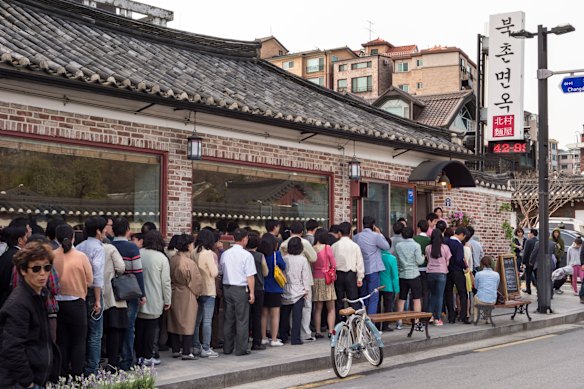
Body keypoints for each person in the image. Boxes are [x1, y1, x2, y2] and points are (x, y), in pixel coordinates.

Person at [0, 241, 60, 388]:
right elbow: (12, 347)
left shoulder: (40, 294)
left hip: (36, 376)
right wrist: (28, 382)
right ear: (23, 270)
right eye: (36, 269)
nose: (42, 273)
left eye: (47, 268)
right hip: (20, 382)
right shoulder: (19, 303)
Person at [53, 224, 93, 377]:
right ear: (73, 237)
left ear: (56, 238)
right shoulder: (81, 256)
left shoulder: (51, 255)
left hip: (57, 302)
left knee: (61, 340)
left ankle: (62, 374)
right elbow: (89, 280)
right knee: (79, 341)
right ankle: (77, 375)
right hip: (77, 302)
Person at [111, 217, 146, 370]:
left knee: (112, 327)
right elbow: (138, 272)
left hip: (112, 291)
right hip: (129, 292)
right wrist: (142, 293)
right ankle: (126, 360)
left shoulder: (108, 246)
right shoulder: (132, 248)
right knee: (129, 327)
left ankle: (113, 359)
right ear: (127, 230)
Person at [75, 216, 106, 375]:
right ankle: (92, 369)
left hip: (80, 292)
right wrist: (98, 300)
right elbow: (98, 276)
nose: (106, 231)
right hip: (94, 294)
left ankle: (80, 368)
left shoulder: (79, 246)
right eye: (105, 228)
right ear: (99, 231)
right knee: (95, 334)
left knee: (82, 333)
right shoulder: (99, 248)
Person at [136, 230, 171, 366]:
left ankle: (139, 355)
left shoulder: (139, 253)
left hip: (138, 297)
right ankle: (148, 356)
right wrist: (167, 300)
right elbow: (166, 282)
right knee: (151, 329)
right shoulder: (162, 258)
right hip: (155, 298)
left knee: (139, 329)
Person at [221, 229, 256, 356]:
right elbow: (250, 276)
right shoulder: (247, 255)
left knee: (228, 319)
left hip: (227, 287)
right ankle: (241, 349)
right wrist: (252, 293)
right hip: (240, 288)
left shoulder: (225, 253)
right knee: (242, 319)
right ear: (245, 239)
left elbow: (221, 270)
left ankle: (227, 348)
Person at [280, 221, 317, 342]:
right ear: (302, 232)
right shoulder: (305, 243)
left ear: (290, 231)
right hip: (301, 285)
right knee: (305, 309)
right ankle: (304, 333)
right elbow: (313, 258)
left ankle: (286, 334)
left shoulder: (283, 245)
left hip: (286, 285)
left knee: (286, 313)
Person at [168, 234, 202, 360]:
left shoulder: (173, 259)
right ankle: (187, 351)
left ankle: (176, 349)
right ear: (188, 245)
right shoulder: (189, 262)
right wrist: (198, 292)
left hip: (174, 290)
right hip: (187, 292)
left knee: (174, 320)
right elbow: (196, 282)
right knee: (188, 321)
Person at [100, 219, 127, 370]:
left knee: (97, 331)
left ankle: (95, 360)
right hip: (112, 294)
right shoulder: (110, 248)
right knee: (114, 330)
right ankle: (112, 361)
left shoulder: (82, 248)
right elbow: (121, 267)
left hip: (95, 294)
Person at [353, 216, 390, 315]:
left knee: (363, 296)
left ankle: (362, 321)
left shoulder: (356, 237)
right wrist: (380, 234)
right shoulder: (376, 236)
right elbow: (386, 246)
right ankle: (371, 323)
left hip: (361, 270)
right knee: (373, 297)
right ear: (373, 225)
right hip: (373, 269)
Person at [193, 229, 220, 358]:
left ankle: (196, 346)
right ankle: (206, 348)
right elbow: (214, 273)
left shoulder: (193, 252)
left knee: (196, 320)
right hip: (208, 289)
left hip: (197, 290)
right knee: (207, 321)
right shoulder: (208, 253)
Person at [279, 237, 310, 345]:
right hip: (299, 290)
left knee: (284, 316)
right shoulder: (303, 259)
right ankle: (295, 338)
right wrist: (306, 290)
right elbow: (305, 276)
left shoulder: (284, 258)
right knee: (297, 316)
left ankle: (283, 336)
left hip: (285, 288)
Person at [258, 233, 286, 347]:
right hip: (275, 287)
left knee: (264, 314)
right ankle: (274, 339)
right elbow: (283, 266)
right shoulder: (276, 255)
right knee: (275, 314)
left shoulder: (260, 255)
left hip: (264, 287)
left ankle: (263, 337)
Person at [331, 222, 364, 317]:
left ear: (339, 233)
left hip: (338, 275)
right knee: (353, 300)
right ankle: (355, 323)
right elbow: (359, 262)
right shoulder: (355, 246)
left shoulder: (334, 246)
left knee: (339, 301)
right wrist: (360, 278)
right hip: (351, 275)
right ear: (350, 232)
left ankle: (339, 324)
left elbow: (331, 263)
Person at [394, 227, 424, 325]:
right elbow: (419, 261)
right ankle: (416, 320)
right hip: (414, 274)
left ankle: (399, 321)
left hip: (403, 274)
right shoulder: (416, 246)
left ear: (402, 235)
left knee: (402, 298)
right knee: (416, 298)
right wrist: (424, 257)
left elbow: (397, 261)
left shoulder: (398, 246)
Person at [311, 228, 337, 338]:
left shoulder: (312, 249)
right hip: (327, 279)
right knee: (330, 307)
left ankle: (317, 331)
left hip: (315, 278)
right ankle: (331, 330)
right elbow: (334, 264)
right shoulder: (327, 248)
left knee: (318, 308)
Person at [246, 233, 268, 351]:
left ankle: (244, 340)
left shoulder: (244, 254)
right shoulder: (260, 256)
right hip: (258, 287)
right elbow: (265, 272)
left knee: (245, 316)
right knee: (257, 316)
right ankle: (257, 342)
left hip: (245, 288)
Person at [445, 227, 471, 324]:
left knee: (448, 293)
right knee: (462, 293)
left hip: (447, 270)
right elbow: (459, 259)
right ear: (462, 235)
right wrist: (465, 267)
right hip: (457, 271)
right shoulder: (458, 245)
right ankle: (463, 316)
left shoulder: (446, 242)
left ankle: (451, 317)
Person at [426, 229, 451, 326]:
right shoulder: (445, 248)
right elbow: (447, 261)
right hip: (442, 272)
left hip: (430, 273)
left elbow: (428, 259)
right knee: (440, 296)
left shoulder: (428, 248)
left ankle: (430, 316)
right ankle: (437, 318)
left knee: (433, 295)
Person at [0, 226, 28, 308]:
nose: (27, 239)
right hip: (13, 300)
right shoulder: (20, 257)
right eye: (25, 237)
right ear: (20, 240)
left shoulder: (4, 255)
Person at [379, 235, 399, 331]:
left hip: (377, 285)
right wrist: (397, 289)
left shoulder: (377, 256)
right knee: (388, 306)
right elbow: (395, 276)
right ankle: (385, 325)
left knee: (377, 305)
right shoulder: (391, 258)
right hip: (389, 286)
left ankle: (378, 324)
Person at [473, 256, 500, 322]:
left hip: (481, 300)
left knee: (476, 297)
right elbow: (496, 287)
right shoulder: (496, 274)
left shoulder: (478, 274)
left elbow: (476, 287)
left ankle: (475, 318)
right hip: (493, 301)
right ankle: (487, 318)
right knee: (489, 293)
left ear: (482, 264)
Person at [413, 220, 431, 312]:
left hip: (415, 268)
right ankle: (425, 312)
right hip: (426, 268)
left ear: (418, 228)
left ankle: (415, 313)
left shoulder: (414, 239)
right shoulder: (429, 240)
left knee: (416, 293)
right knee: (426, 292)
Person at [522, 229, 538, 295]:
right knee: (537, 276)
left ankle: (528, 289)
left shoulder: (528, 241)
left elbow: (525, 252)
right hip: (536, 262)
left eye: (529, 233)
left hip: (529, 262)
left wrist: (523, 261)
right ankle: (538, 290)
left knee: (528, 275)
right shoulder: (538, 241)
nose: (528, 234)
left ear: (532, 233)